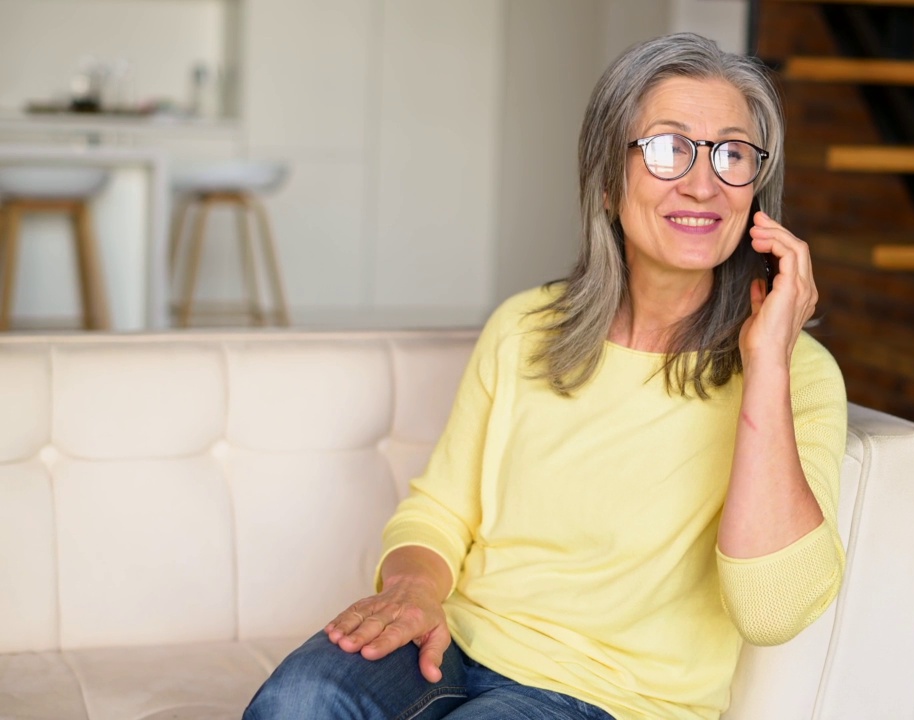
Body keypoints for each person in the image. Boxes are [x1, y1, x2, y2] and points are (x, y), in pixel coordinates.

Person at [244, 32, 847, 720]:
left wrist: (766, 362)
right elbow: (441, 510)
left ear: (756, 190)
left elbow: (772, 611)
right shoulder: (525, 328)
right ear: (608, 177)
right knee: (295, 699)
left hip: (605, 700)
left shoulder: (799, 374)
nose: (704, 181)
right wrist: (412, 590)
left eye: (732, 153)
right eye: (668, 147)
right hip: (457, 646)